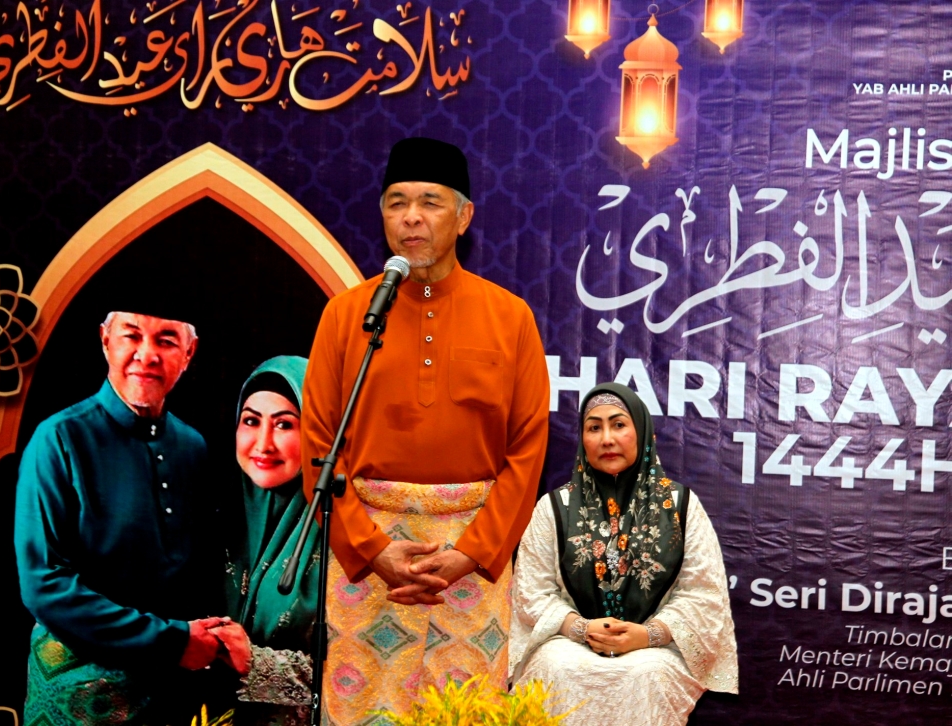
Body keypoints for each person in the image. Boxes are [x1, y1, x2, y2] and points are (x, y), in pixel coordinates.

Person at [301, 136, 550, 723]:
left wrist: (471, 552)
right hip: (366, 558)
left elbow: (527, 449)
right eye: (396, 202)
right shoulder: (347, 314)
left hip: (469, 559)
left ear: (464, 216)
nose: (411, 217)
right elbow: (318, 443)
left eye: (430, 202)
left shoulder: (510, 317)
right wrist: (373, 549)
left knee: (461, 713)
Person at [15, 309, 224, 725]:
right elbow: (44, 585)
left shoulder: (192, 447)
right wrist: (170, 643)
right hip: (75, 696)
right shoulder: (59, 438)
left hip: (168, 694)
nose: (147, 355)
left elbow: (200, 569)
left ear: (189, 352)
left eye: (166, 340)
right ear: (106, 341)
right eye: (132, 336)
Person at [509, 383, 738, 725]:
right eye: (594, 427)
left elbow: (704, 594)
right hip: (570, 640)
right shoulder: (555, 507)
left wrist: (647, 635)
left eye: (619, 424)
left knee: (647, 673)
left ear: (641, 432)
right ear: (582, 440)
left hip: (655, 648)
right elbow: (533, 593)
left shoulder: (680, 506)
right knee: (554, 665)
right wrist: (582, 628)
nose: (607, 439)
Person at [213, 356, 318, 726]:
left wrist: (256, 663)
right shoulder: (213, 511)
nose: (263, 443)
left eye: (285, 425)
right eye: (251, 421)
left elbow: (362, 669)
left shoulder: (342, 529)